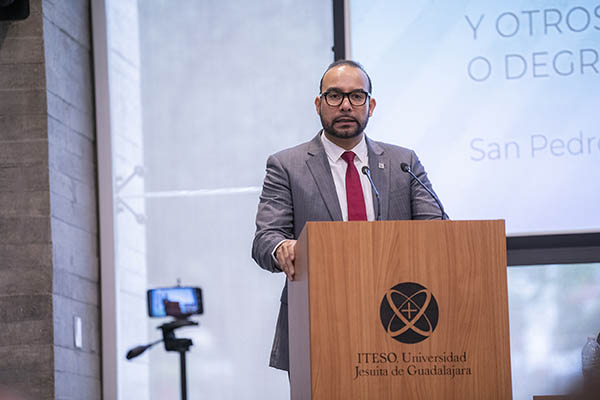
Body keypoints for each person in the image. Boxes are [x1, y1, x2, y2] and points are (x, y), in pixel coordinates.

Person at [251, 60, 446, 371]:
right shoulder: (286, 165)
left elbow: (438, 232)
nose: (345, 105)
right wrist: (282, 247)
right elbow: (265, 239)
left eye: (356, 96)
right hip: (319, 323)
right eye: (334, 96)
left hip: (400, 321)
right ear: (318, 104)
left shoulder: (403, 163)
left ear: (371, 105)